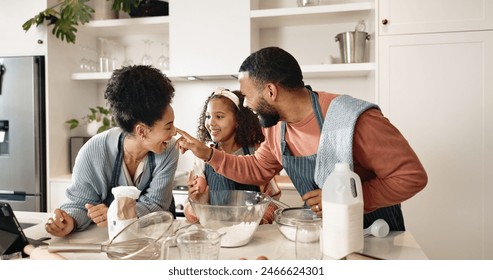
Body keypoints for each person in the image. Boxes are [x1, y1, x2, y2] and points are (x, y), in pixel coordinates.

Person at [176, 46, 428, 231]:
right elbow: (258, 168)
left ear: (271, 91)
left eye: (247, 96)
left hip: (376, 233)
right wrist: (207, 154)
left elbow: (411, 176)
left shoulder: (354, 118)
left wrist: (344, 198)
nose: (246, 105)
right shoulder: (276, 127)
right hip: (323, 233)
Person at [45, 65, 179, 237]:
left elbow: (157, 204)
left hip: (156, 237)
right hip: (107, 239)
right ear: (142, 131)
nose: (174, 132)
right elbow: (80, 204)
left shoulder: (168, 150)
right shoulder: (93, 151)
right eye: (168, 127)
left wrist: (115, 212)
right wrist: (68, 221)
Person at [184, 87, 280, 224]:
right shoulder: (202, 158)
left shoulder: (257, 153)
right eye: (208, 116)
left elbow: (273, 200)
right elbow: (190, 211)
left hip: (251, 234)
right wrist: (198, 203)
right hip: (217, 234)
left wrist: (260, 220)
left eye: (219, 116)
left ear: (238, 121)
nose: (211, 123)